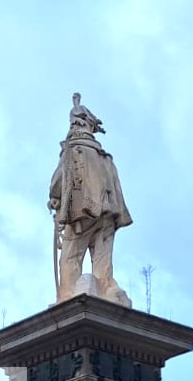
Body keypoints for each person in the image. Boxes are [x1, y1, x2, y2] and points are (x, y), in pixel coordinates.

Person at [48, 93, 133, 305]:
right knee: (103, 258)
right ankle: (107, 288)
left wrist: (54, 200)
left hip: (82, 211)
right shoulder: (104, 156)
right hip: (108, 214)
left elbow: (58, 182)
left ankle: (67, 296)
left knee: (70, 255)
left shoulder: (73, 150)